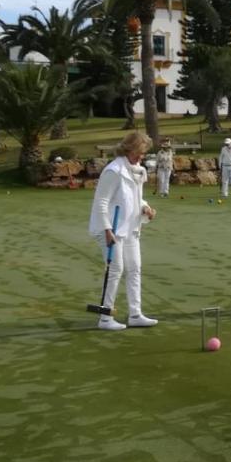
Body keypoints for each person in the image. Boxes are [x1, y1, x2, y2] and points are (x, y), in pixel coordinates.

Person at [87, 130, 158, 330]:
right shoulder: (113, 171)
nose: (142, 156)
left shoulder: (137, 170)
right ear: (130, 149)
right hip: (111, 229)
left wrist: (145, 208)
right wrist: (107, 230)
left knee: (135, 268)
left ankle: (135, 314)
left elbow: (135, 198)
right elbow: (101, 203)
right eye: (140, 151)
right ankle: (105, 318)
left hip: (130, 229)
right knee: (116, 269)